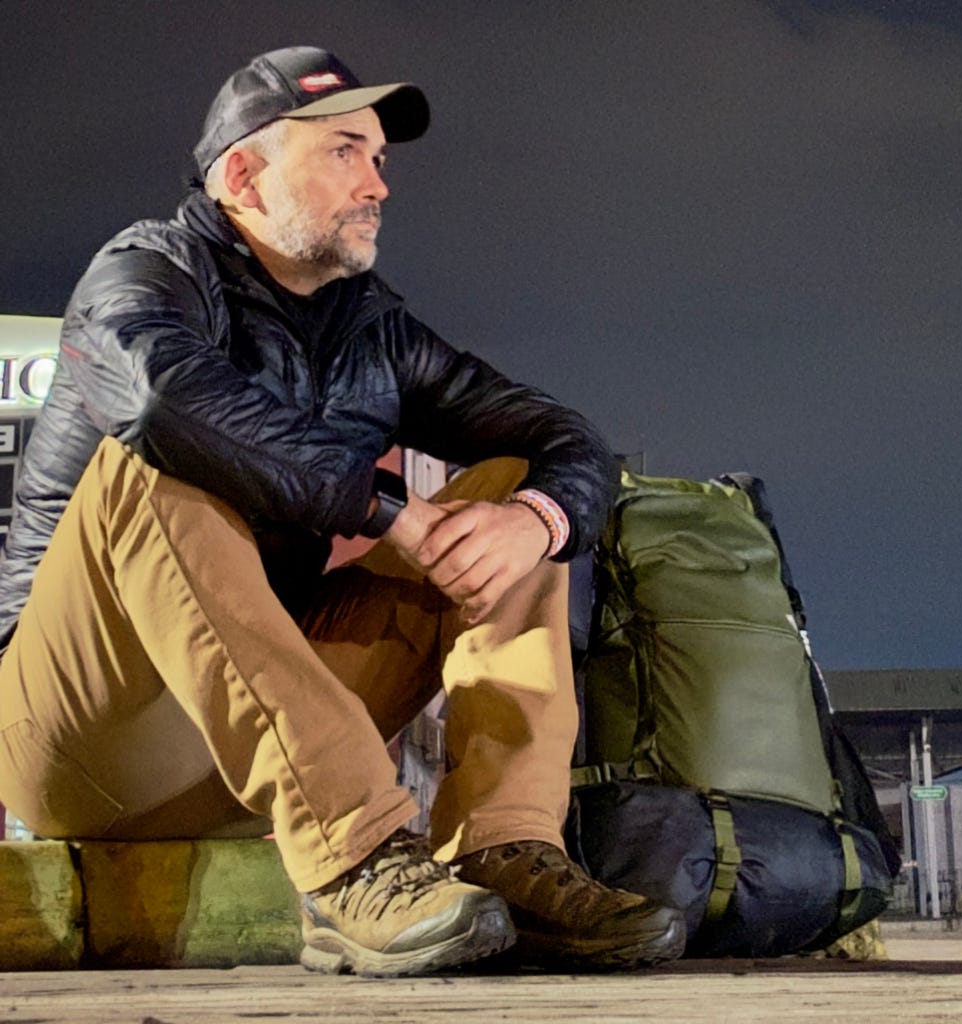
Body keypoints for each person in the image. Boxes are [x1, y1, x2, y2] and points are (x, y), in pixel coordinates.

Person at [0, 46, 687, 976]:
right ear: (242, 177)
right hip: (79, 742)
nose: (378, 184)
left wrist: (538, 518)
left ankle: (507, 846)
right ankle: (355, 860)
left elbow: (562, 436)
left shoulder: (371, 329)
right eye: (343, 152)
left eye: (379, 158)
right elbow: (162, 400)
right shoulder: (145, 274)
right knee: (151, 456)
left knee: (511, 492)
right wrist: (381, 504)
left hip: (244, 747)